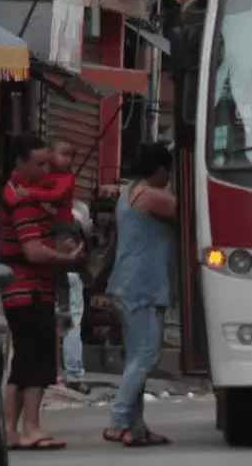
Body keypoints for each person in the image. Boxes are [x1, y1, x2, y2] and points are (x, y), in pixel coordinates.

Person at [0, 134, 83, 451]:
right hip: (29, 289)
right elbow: (33, 251)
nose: (46, 169)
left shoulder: (19, 194)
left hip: (23, 290)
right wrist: (66, 258)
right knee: (35, 363)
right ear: (19, 164)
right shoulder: (23, 201)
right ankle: (30, 427)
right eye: (40, 163)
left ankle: (10, 429)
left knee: (23, 362)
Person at [103, 144, 176, 448]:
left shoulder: (129, 191)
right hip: (142, 287)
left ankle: (136, 428)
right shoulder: (151, 196)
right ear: (160, 170)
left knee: (136, 358)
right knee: (146, 356)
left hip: (127, 284)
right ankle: (118, 421)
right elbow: (189, 211)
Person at [62, 200, 93, 394]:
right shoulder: (78, 213)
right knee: (72, 324)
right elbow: (85, 244)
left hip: (48, 275)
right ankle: (73, 374)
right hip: (71, 274)